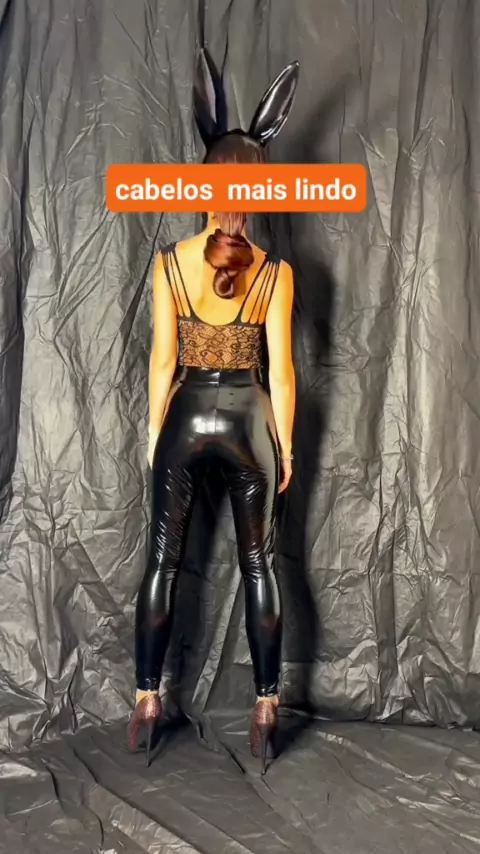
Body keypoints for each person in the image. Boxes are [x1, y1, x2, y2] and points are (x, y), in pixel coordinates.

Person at [127, 54, 299, 774]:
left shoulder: (170, 263)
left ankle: (145, 702)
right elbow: (281, 373)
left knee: (163, 561)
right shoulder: (276, 274)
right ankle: (265, 711)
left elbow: (162, 363)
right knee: (260, 566)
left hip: (186, 417)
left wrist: (154, 436)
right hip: (249, 423)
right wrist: (284, 446)